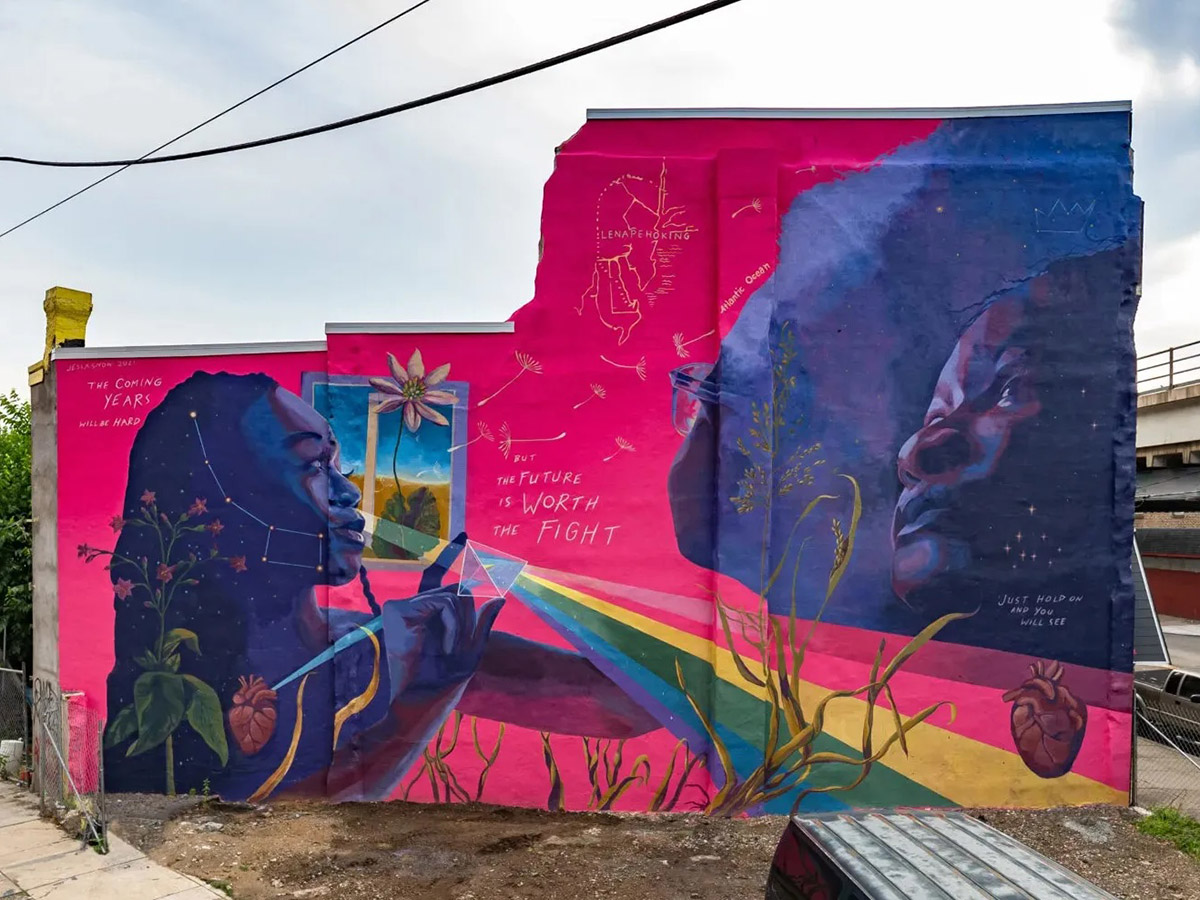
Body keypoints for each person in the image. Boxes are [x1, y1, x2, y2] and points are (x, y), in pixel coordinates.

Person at [102, 372, 658, 801]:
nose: (348, 494)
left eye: (338, 464)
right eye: (316, 465)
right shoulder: (166, 684)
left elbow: (620, 709)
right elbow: (247, 818)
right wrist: (420, 699)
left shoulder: (387, 643)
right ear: (222, 492)